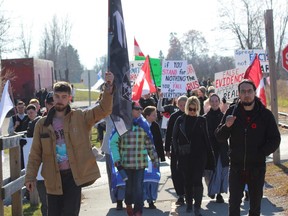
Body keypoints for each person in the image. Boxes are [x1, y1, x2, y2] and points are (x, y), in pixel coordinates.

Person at [25, 72, 114, 216]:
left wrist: (108, 87)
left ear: (69, 98)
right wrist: (30, 177)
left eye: (64, 97)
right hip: (53, 178)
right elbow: (35, 154)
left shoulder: (80, 117)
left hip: (74, 176)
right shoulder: (41, 125)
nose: (60, 100)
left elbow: (104, 109)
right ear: (53, 97)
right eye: (57, 96)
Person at [215, 79, 281, 216]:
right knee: (233, 206)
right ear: (239, 94)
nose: (246, 94)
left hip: (257, 167)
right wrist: (226, 126)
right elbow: (219, 137)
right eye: (243, 91)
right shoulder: (231, 112)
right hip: (236, 167)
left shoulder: (265, 114)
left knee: (255, 207)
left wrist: (261, 153)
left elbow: (275, 139)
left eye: (249, 91)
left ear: (254, 92)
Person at [110, 101, 159, 216]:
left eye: (140, 108)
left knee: (138, 188)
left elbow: (149, 144)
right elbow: (113, 143)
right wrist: (117, 160)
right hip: (126, 164)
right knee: (129, 188)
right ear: (130, 110)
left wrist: (154, 159)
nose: (140, 111)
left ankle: (138, 211)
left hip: (140, 164)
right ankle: (128, 204)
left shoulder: (143, 125)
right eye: (137, 108)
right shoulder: (122, 125)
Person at [172, 96, 215, 215]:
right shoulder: (180, 120)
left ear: (198, 109)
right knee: (187, 181)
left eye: (195, 109)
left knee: (197, 181)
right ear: (186, 108)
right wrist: (177, 153)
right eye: (190, 109)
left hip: (199, 156)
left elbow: (207, 139)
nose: (192, 111)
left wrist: (211, 157)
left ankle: (197, 206)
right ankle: (189, 204)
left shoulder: (202, 120)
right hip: (184, 155)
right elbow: (174, 138)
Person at [203, 93, 229, 203]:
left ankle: (218, 193)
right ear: (209, 102)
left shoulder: (224, 117)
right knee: (210, 172)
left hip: (222, 147)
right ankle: (212, 189)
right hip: (209, 148)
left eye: (216, 101)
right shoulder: (204, 118)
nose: (214, 103)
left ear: (219, 102)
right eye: (212, 101)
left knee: (220, 171)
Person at [164, 95, 187, 206]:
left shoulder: (192, 114)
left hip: (189, 150)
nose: (183, 107)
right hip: (176, 148)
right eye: (180, 105)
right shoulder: (174, 117)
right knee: (176, 171)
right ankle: (180, 195)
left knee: (187, 172)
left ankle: (188, 193)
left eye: (184, 105)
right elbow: (169, 133)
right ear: (177, 105)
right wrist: (167, 149)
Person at [143, 106, 165, 209]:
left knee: (154, 178)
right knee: (144, 179)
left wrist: (161, 156)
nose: (156, 116)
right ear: (147, 116)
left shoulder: (155, 126)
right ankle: (143, 198)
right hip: (143, 156)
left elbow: (159, 141)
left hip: (154, 156)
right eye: (154, 114)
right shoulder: (141, 125)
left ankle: (151, 199)